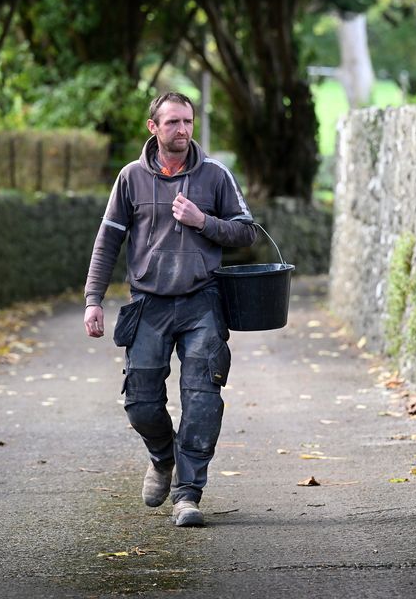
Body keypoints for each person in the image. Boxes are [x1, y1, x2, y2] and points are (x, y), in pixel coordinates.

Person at [83, 91, 257, 527]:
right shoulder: (130, 178)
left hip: (202, 302)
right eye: (173, 122)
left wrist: (203, 222)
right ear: (153, 127)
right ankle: (163, 457)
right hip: (147, 304)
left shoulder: (215, 175)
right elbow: (108, 242)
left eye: (188, 122)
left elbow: (246, 232)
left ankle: (188, 495)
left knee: (202, 399)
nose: (182, 130)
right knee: (140, 402)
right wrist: (93, 300)